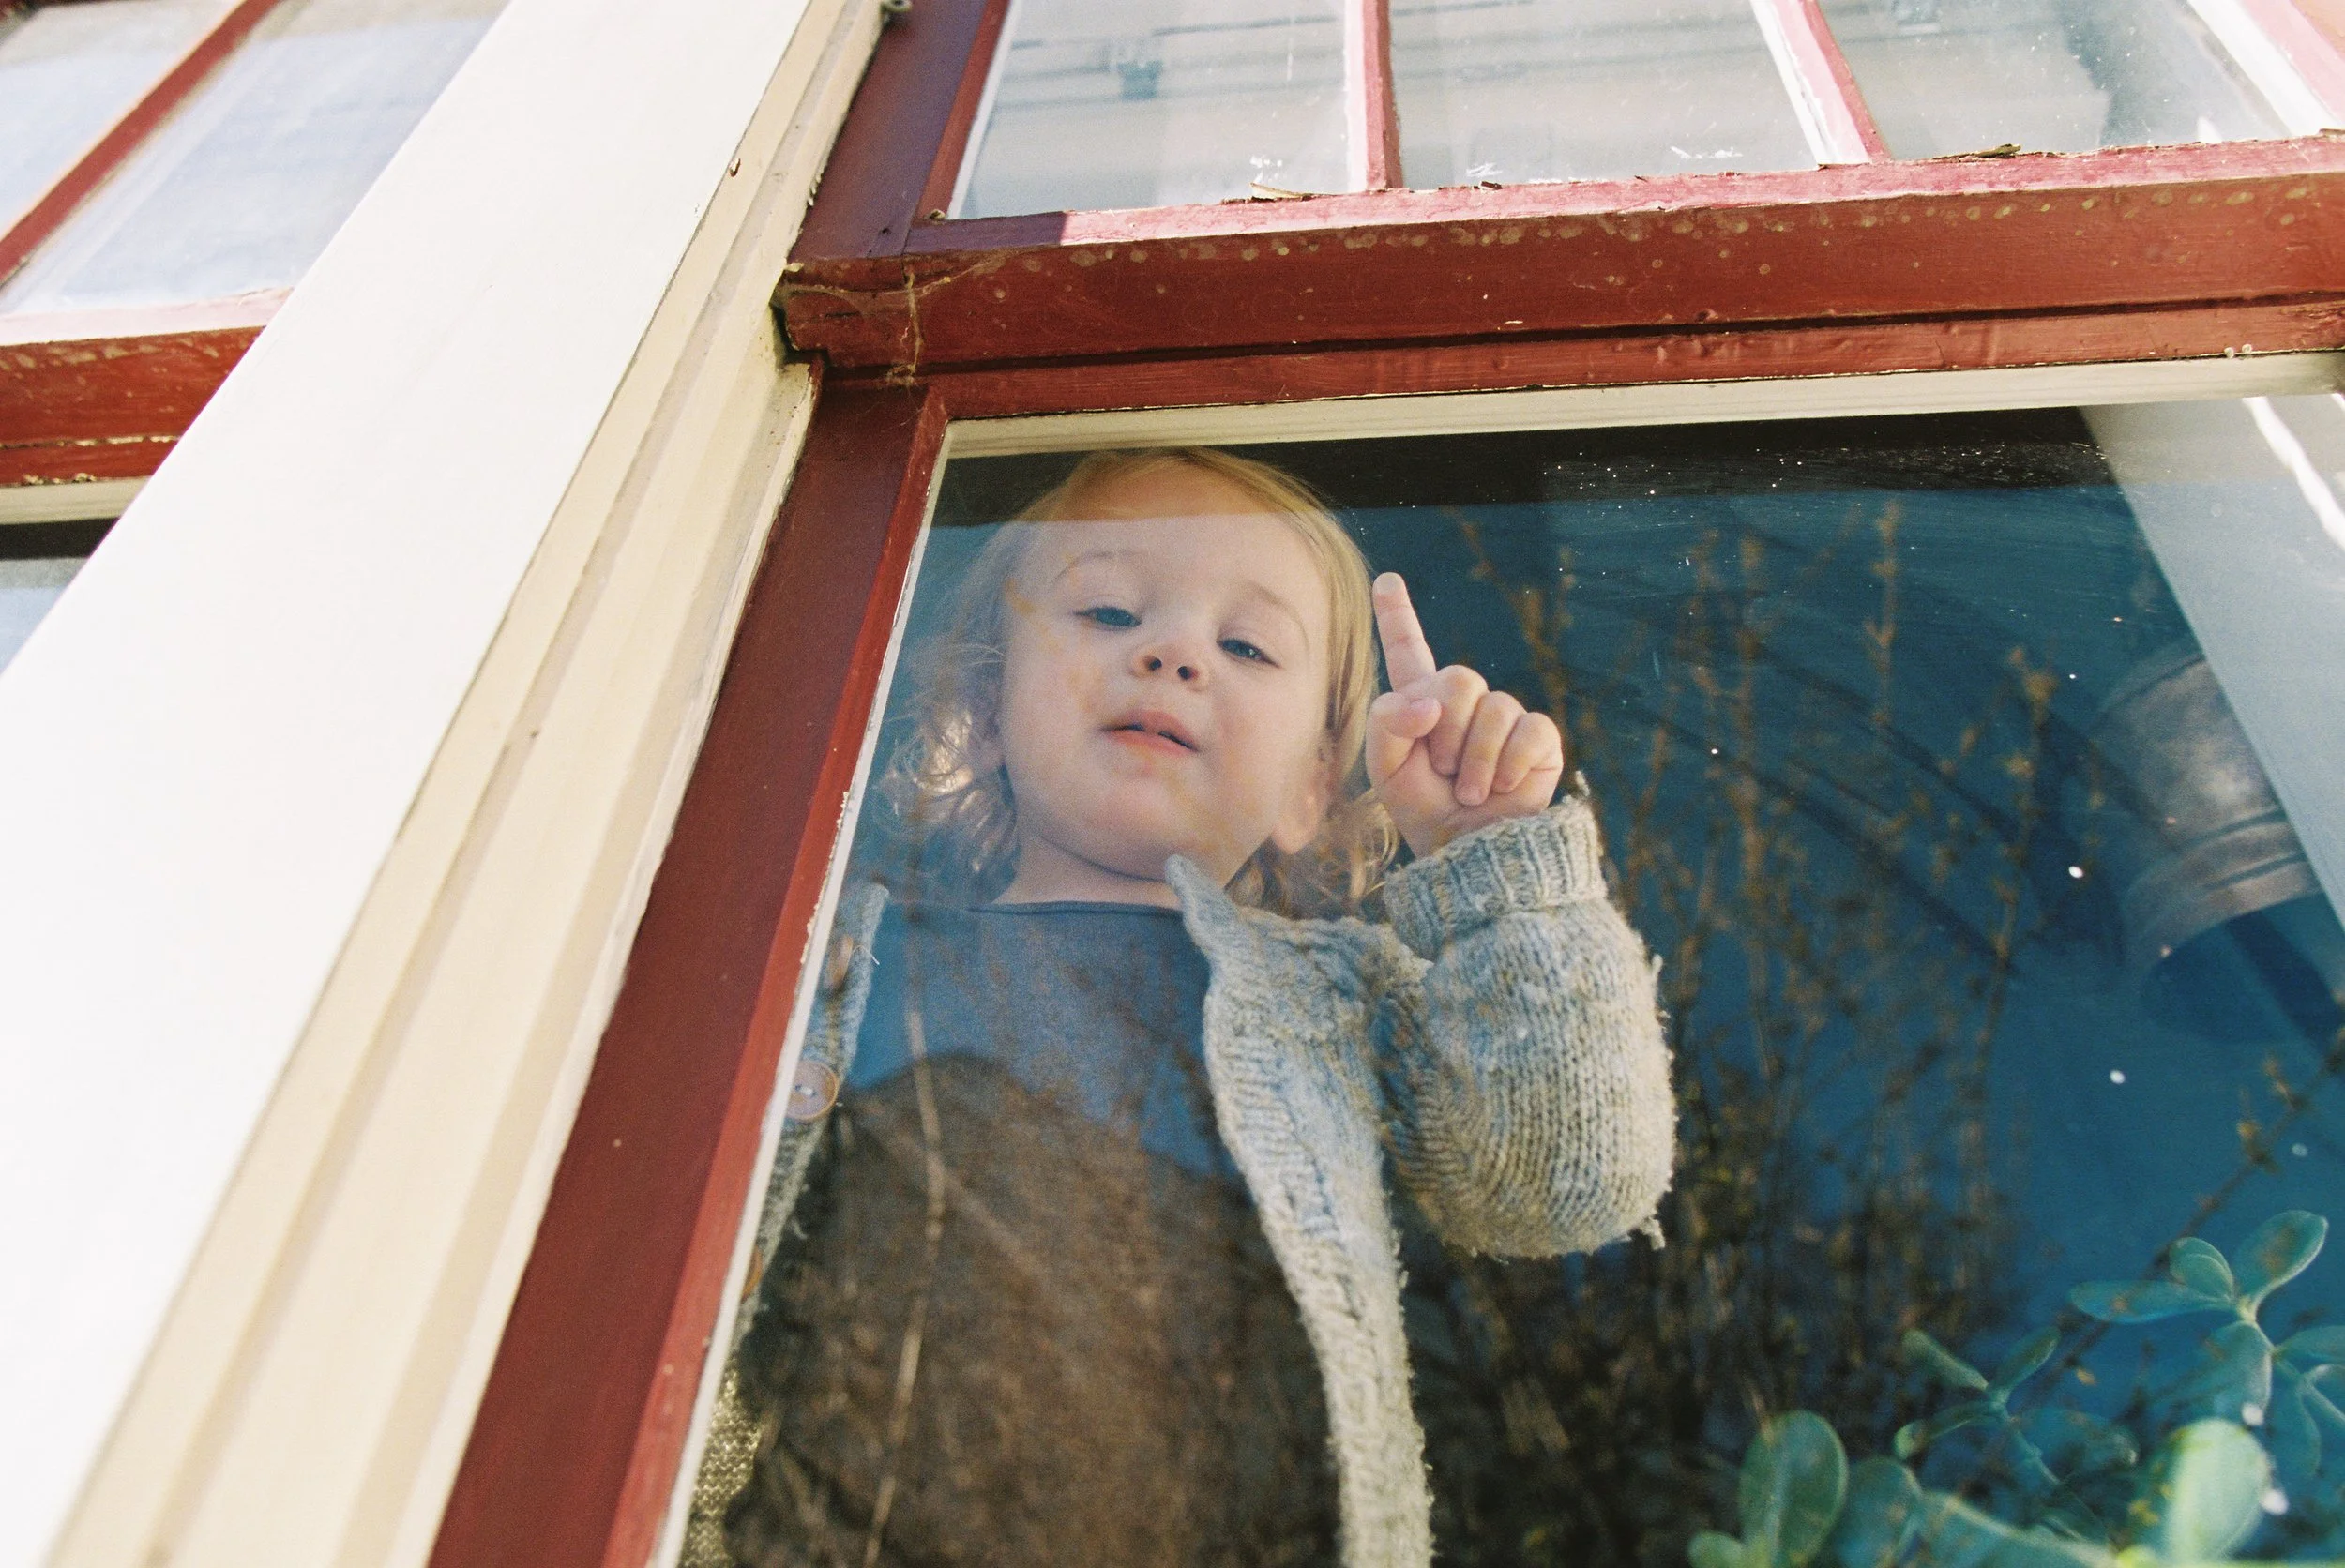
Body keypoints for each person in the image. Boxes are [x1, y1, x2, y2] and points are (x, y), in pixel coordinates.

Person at [704, 448, 1674, 1568]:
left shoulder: (1331, 997)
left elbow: (1561, 1185)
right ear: (983, 703)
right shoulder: (827, 967)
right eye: (1110, 608)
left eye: (1247, 645)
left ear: (1316, 784)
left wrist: (1487, 862)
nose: (1169, 653)